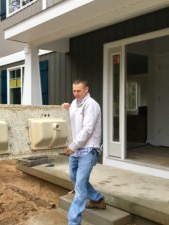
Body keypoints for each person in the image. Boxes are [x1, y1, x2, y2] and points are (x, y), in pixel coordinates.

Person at [62, 79, 106, 225]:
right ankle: (97, 199)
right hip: (76, 149)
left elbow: (87, 129)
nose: (75, 94)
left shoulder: (91, 105)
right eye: (73, 91)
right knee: (74, 177)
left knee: (80, 187)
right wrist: (67, 108)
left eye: (78, 91)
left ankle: (73, 221)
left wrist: (72, 145)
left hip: (88, 149)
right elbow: (74, 121)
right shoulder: (75, 103)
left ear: (86, 89)